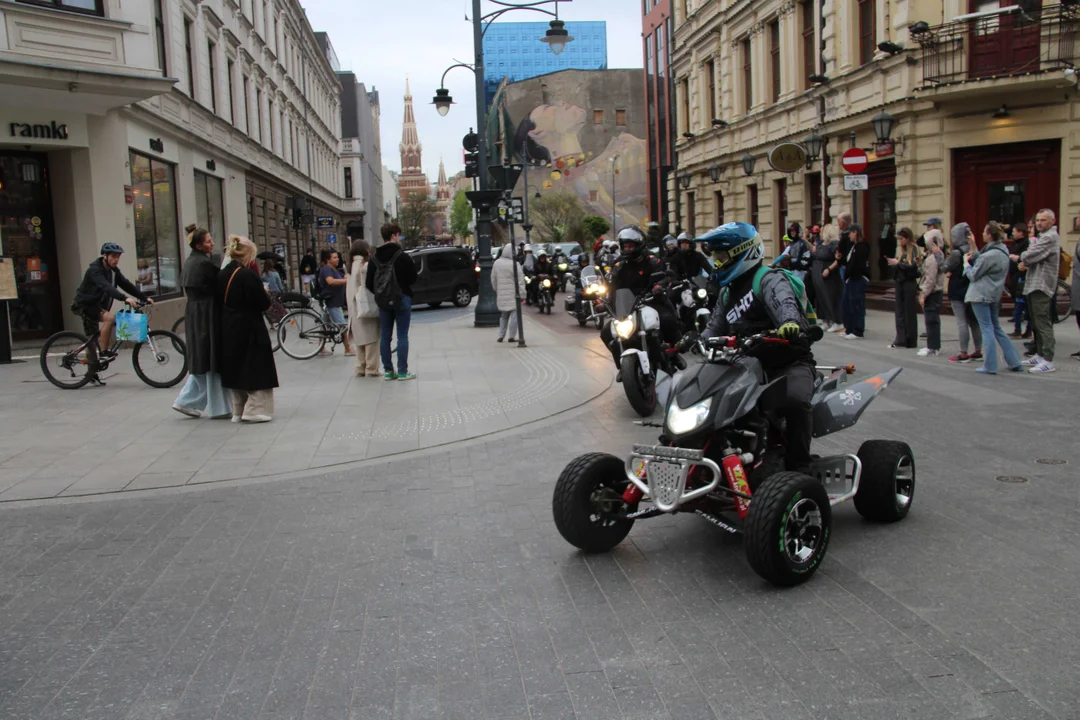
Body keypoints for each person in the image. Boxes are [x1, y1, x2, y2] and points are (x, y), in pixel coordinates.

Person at [699, 222, 816, 472]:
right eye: (715, 257)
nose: (717, 263)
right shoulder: (727, 293)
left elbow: (785, 304)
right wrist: (697, 338)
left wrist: (790, 324)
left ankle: (800, 465)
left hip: (786, 363)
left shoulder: (769, 279)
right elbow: (715, 325)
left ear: (744, 253)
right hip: (743, 366)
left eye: (722, 257)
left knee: (794, 401)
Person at [72, 242, 152, 386]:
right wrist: (124, 298)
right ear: (105, 256)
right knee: (110, 320)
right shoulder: (94, 270)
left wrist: (143, 297)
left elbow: (126, 284)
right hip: (85, 305)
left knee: (92, 340)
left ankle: (92, 371)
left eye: (118, 257)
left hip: (96, 306)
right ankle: (103, 352)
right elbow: (106, 287)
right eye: (114, 257)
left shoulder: (113, 271)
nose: (116, 260)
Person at [217, 236, 278, 422]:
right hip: (249, 325)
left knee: (236, 366)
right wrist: (265, 293)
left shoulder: (222, 273)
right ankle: (255, 409)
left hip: (228, 325)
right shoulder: (247, 274)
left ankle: (238, 410)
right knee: (255, 365)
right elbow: (262, 302)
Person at [599, 226, 679, 366]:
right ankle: (622, 364)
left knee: (667, 320)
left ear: (639, 245)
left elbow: (664, 276)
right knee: (606, 332)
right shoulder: (619, 265)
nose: (628, 249)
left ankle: (673, 353)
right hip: (627, 306)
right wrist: (604, 301)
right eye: (626, 246)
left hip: (651, 300)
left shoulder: (652, 261)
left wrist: (658, 286)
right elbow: (612, 286)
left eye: (631, 246)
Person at [173, 226, 229, 418]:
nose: (212, 243)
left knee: (203, 358)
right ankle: (217, 406)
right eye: (208, 241)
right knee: (210, 357)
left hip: (196, 312)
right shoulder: (203, 264)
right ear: (198, 245)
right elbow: (220, 285)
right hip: (207, 313)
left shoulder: (191, 261)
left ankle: (186, 401)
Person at [962, 222, 1022, 375]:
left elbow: (973, 274)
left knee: (986, 329)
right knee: (996, 328)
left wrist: (965, 265)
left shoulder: (989, 255)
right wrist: (973, 245)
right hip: (994, 294)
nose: (982, 233)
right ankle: (1014, 361)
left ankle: (990, 365)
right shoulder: (1002, 251)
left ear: (989, 235)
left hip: (980, 294)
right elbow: (982, 260)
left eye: (984, 231)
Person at [367, 222, 418, 380]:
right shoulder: (402, 256)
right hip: (401, 298)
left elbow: (369, 283)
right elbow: (413, 278)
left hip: (383, 301)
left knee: (385, 336)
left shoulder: (374, 258)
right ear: (394, 235)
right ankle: (402, 371)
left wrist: (381, 292)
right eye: (398, 235)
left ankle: (388, 371)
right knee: (402, 335)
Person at [1014, 208, 1060, 373]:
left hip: (1042, 284)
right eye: (1038, 220)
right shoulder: (1042, 237)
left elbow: (1029, 255)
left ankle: (1048, 360)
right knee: (1035, 322)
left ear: (1052, 221)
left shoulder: (1049, 237)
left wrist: (1024, 257)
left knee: (1042, 322)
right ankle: (1040, 355)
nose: (1039, 223)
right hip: (1034, 283)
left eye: (1043, 220)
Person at [944, 222, 983, 363]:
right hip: (971, 289)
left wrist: (939, 256)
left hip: (957, 289)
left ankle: (963, 352)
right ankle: (978, 350)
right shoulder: (974, 250)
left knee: (962, 322)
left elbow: (945, 266)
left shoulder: (956, 252)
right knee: (974, 321)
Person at [346, 240, 380, 377]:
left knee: (360, 340)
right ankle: (372, 368)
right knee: (372, 338)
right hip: (365, 306)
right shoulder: (364, 265)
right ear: (366, 250)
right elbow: (369, 285)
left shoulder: (349, 266)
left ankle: (360, 367)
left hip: (353, 309)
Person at [887, 227, 921, 349]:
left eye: (901, 239)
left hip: (909, 283)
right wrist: (895, 264)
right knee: (899, 311)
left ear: (907, 238)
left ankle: (910, 339)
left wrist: (898, 264)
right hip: (900, 282)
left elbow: (913, 267)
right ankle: (900, 338)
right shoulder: (903, 251)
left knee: (909, 312)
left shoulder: (914, 250)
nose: (900, 241)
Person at [491, 231, 526, 343]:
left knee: (503, 316)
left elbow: (493, 279)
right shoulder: (515, 265)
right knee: (514, 316)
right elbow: (521, 281)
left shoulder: (497, 263)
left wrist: (497, 289)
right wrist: (522, 294)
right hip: (513, 295)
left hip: (501, 294)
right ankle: (512, 336)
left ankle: (501, 335)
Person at [917, 229, 947, 357]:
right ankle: (933, 346)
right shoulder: (934, 256)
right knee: (932, 319)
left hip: (933, 292)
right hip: (936, 291)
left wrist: (923, 294)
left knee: (931, 320)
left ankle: (933, 347)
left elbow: (930, 279)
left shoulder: (933, 259)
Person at [317, 249, 352, 356]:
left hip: (332, 301)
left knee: (325, 325)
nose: (337, 259)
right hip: (332, 302)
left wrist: (345, 277)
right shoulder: (327, 269)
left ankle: (320, 347)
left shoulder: (333, 269)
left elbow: (340, 278)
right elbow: (330, 281)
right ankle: (347, 349)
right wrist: (346, 281)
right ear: (328, 260)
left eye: (337, 257)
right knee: (342, 325)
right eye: (334, 257)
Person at [812, 224, 843, 333]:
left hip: (830, 277)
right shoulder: (821, 244)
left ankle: (837, 321)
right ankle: (826, 321)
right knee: (822, 299)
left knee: (831, 298)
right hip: (819, 277)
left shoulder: (833, 245)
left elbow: (838, 259)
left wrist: (829, 269)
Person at [840, 224, 870, 339]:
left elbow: (858, 265)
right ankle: (849, 329)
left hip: (857, 279)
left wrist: (850, 274)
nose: (849, 235)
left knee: (856, 305)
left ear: (855, 233)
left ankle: (858, 330)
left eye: (850, 233)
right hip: (850, 279)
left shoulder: (861, 247)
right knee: (846, 304)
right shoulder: (854, 246)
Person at [1006, 223, 1032, 338]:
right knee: (1019, 306)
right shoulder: (1016, 243)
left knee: (1025, 307)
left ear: (1021, 232)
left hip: (1022, 278)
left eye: (1014, 231)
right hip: (1015, 276)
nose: (1012, 233)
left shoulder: (1026, 243)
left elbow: (1025, 259)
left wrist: (1017, 259)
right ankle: (1019, 329)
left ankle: (1026, 330)